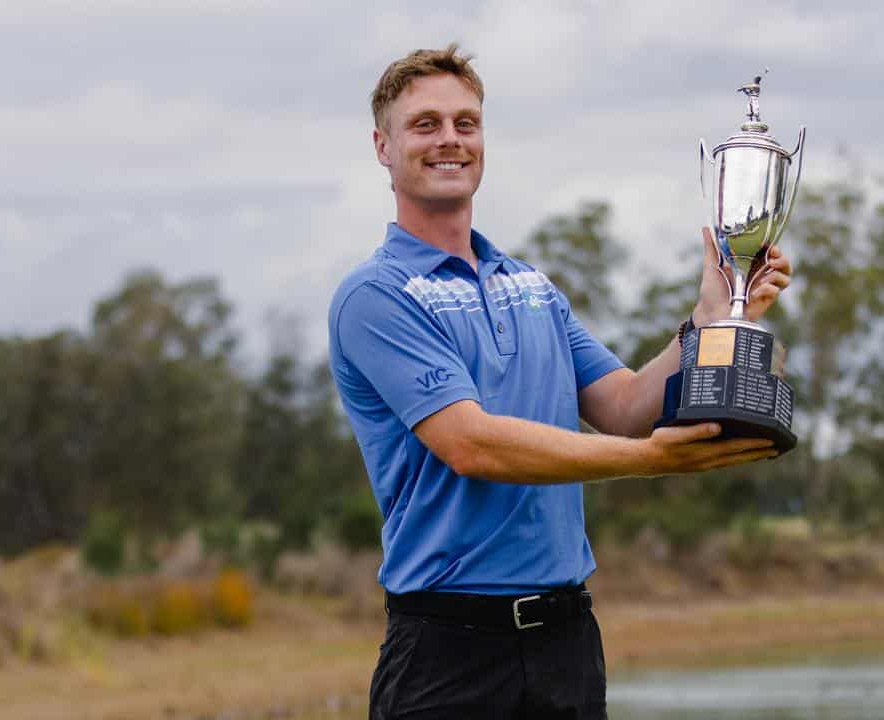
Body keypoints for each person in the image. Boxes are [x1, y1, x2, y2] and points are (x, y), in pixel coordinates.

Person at [328, 44, 793, 720]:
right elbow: (473, 446)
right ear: (383, 146)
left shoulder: (532, 288)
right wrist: (652, 462)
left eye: (466, 122)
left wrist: (708, 319)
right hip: (448, 649)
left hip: (567, 645)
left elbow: (629, 407)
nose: (450, 140)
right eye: (425, 124)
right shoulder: (376, 295)